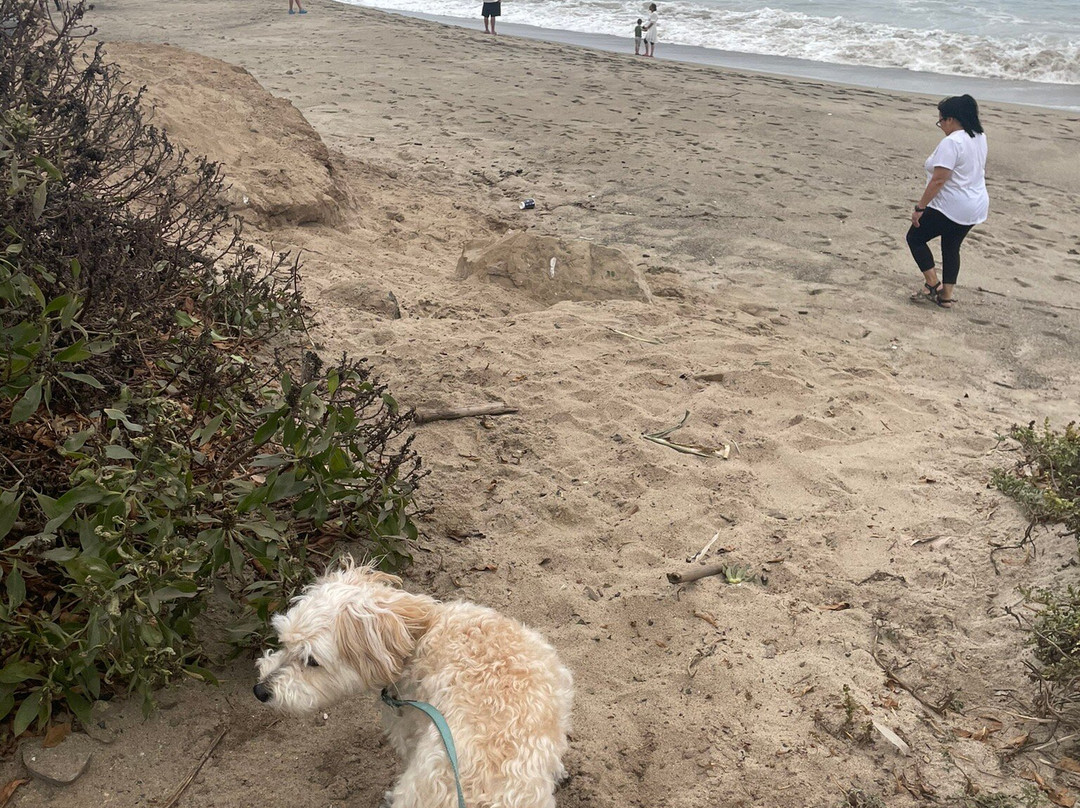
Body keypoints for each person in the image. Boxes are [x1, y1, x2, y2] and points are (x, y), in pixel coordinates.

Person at [906, 94, 988, 309]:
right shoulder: (979, 136)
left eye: (940, 120)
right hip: (976, 205)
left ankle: (932, 284)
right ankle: (946, 296)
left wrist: (920, 207)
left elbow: (939, 179)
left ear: (951, 119)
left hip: (953, 206)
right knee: (951, 245)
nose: (940, 124)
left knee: (915, 237)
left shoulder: (952, 142)